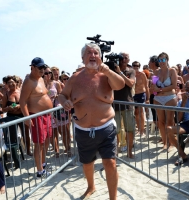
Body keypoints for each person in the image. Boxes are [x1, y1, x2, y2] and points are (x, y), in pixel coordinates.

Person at [58, 43, 125, 200]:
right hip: (83, 129)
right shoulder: (75, 78)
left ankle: (113, 198)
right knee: (87, 164)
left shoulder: (106, 75)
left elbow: (120, 85)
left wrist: (108, 71)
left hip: (106, 127)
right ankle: (91, 186)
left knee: (110, 163)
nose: (93, 55)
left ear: (100, 57)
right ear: (83, 57)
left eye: (96, 53)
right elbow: (62, 95)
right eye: (89, 52)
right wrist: (64, 102)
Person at [20, 57, 53, 178]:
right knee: (38, 144)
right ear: (32, 67)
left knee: (46, 140)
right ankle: (40, 171)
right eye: (40, 67)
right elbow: (22, 101)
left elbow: (43, 93)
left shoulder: (41, 79)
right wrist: (27, 117)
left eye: (43, 67)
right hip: (36, 116)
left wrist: (51, 95)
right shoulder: (28, 81)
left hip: (46, 115)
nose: (42, 70)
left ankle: (43, 164)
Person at [167, 80, 189, 165]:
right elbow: (178, 119)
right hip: (186, 123)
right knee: (169, 129)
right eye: (187, 89)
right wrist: (184, 102)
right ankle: (182, 154)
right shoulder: (181, 102)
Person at [151, 52, 177, 150]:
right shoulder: (156, 72)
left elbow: (174, 86)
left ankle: (171, 143)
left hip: (169, 98)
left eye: (163, 60)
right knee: (160, 122)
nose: (161, 62)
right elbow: (154, 87)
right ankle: (165, 142)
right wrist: (153, 89)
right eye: (160, 60)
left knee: (169, 121)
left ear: (167, 60)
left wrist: (160, 90)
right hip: (158, 99)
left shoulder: (172, 71)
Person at [113, 52, 136, 158]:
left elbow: (130, 83)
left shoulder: (131, 70)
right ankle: (116, 151)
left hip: (127, 104)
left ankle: (129, 152)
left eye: (126, 57)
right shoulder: (112, 70)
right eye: (121, 57)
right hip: (115, 104)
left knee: (129, 129)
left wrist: (120, 73)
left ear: (129, 60)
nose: (123, 59)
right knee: (115, 130)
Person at [132, 61, 149, 137]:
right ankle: (139, 129)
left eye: (137, 66)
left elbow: (146, 86)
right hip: (133, 94)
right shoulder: (131, 74)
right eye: (134, 65)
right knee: (136, 113)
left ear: (139, 66)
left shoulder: (142, 74)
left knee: (141, 112)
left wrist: (147, 98)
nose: (135, 67)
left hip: (141, 94)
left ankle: (142, 130)